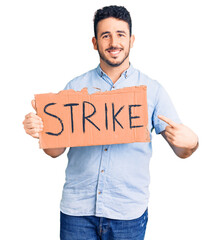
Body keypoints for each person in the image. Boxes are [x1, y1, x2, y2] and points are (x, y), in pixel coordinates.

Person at [23, 5, 199, 240]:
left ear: (131, 40)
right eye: (105, 35)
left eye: (120, 34)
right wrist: (42, 132)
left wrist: (192, 143)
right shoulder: (75, 87)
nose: (113, 42)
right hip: (77, 212)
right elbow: (55, 151)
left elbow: (182, 150)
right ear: (95, 43)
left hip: (127, 213)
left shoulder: (153, 91)